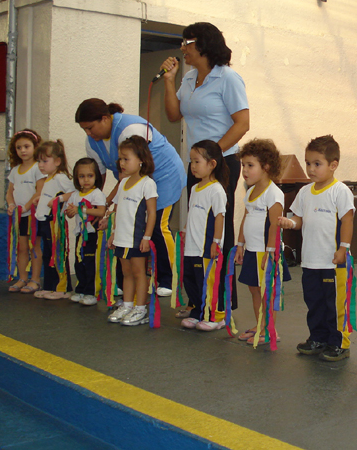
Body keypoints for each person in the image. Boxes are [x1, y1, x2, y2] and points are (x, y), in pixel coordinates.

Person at [159, 23, 250, 304]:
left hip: (222, 162)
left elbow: (242, 124)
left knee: (217, 227)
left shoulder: (228, 78)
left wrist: (213, 157)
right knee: (197, 226)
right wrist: (169, 80)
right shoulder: (189, 79)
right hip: (198, 164)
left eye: (186, 42)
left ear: (203, 45)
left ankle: (221, 301)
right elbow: (174, 115)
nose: (182, 48)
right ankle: (198, 299)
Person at [75, 98, 185, 295]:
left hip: (163, 176)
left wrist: (106, 207)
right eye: (84, 130)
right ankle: (127, 280)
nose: (89, 133)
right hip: (131, 182)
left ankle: (168, 280)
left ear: (105, 119)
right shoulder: (92, 141)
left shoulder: (130, 128)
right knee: (129, 226)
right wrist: (101, 205)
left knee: (158, 225)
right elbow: (99, 178)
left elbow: (127, 176)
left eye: (90, 128)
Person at [278, 135, 354, 361]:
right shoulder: (304, 192)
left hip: (332, 262)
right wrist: (289, 223)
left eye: (317, 164)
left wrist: (344, 248)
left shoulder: (340, 191)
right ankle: (318, 337)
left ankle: (338, 341)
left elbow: (348, 221)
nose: (311, 169)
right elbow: (298, 219)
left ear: (333, 165)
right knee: (314, 301)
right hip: (310, 261)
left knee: (334, 304)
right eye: (308, 163)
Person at [235, 139, 291, 345]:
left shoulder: (273, 193)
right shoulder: (250, 191)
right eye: (243, 165)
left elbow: (274, 225)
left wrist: (270, 252)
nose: (245, 170)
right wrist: (240, 244)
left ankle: (269, 330)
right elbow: (245, 218)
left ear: (266, 167)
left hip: (265, 252)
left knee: (266, 291)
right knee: (253, 289)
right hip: (252, 250)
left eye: (250, 165)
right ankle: (260, 323)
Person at [106, 136, 158, 326]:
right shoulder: (123, 183)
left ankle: (141, 309)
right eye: (121, 159)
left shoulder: (147, 184)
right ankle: (127, 305)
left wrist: (147, 237)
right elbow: (118, 210)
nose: (122, 163)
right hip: (121, 237)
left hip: (136, 238)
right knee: (126, 272)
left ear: (141, 160)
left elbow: (151, 213)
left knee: (139, 273)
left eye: (126, 159)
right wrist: (113, 233)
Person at [180, 140, 229, 331]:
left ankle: (216, 316)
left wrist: (215, 242)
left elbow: (219, 217)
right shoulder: (194, 188)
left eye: (197, 161)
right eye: (191, 162)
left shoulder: (216, 190)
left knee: (207, 281)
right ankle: (197, 313)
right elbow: (193, 213)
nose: (193, 166)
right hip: (191, 246)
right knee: (190, 280)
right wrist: (185, 229)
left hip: (206, 247)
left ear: (212, 164)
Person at [33, 141, 75, 300]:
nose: (41, 165)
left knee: (57, 254)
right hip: (45, 222)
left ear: (57, 161)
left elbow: (73, 192)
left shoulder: (60, 177)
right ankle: (50, 286)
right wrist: (40, 199)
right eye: (39, 161)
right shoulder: (48, 179)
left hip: (54, 223)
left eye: (45, 161)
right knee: (48, 255)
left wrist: (60, 198)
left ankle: (63, 287)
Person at [62, 158, 107, 306]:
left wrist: (81, 210)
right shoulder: (75, 194)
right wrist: (70, 212)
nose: (86, 180)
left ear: (96, 177)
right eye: (81, 176)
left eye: (90, 176)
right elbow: (71, 212)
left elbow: (101, 211)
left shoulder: (96, 193)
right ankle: (81, 289)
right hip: (80, 234)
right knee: (79, 262)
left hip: (92, 234)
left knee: (90, 262)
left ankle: (91, 292)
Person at [6, 129, 45, 293]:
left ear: (36, 147)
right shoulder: (15, 170)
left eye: (26, 146)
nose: (23, 150)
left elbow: (39, 191)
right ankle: (22, 278)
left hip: (33, 216)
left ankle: (35, 280)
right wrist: (11, 204)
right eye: (19, 147)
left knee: (34, 248)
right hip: (19, 216)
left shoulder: (38, 168)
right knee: (21, 248)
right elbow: (10, 192)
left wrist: (28, 206)